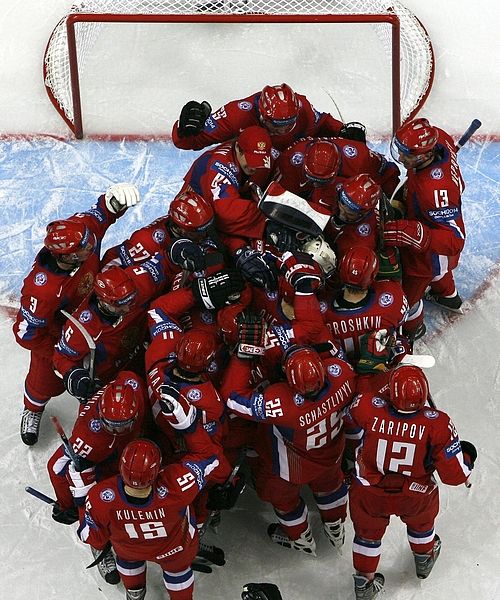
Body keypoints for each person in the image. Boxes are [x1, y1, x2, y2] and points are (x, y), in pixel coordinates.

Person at [13, 183, 140, 445]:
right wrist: (60, 354)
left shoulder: (80, 233)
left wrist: (112, 201)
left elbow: (100, 215)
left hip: (96, 317)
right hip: (58, 335)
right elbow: (26, 334)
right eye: (84, 249)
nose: (91, 245)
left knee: (104, 365)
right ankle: (33, 408)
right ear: (66, 258)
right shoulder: (42, 290)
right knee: (43, 380)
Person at [343, 365, 477, 599]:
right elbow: (454, 476)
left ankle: (364, 583)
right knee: (422, 524)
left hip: (370, 492)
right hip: (414, 493)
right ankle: (424, 558)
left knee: (367, 534)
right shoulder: (439, 424)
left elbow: (361, 401)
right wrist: (466, 456)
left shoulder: (366, 408)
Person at [77, 392, 225, 600]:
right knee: (178, 570)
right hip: (175, 550)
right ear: (158, 471)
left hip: (129, 550)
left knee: (128, 560)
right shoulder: (177, 484)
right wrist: (188, 424)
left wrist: (80, 496)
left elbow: (91, 537)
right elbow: (211, 457)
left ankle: (135, 592)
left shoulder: (100, 496)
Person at [221, 342, 356, 556]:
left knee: (284, 499)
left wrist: (242, 358)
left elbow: (232, 398)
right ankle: (336, 525)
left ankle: (300, 538)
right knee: (330, 486)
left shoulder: (282, 403)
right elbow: (335, 352)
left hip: (291, 467)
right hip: (331, 452)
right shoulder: (343, 376)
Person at [384, 118, 467, 340]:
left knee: (408, 298)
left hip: (428, 256)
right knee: (440, 274)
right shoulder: (440, 136)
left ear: (425, 155)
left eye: (407, 154)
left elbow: (455, 240)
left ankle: (413, 329)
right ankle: (449, 297)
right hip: (433, 217)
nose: (400, 158)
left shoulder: (435, 192)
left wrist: (417, 233)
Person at [172, 83, 366, 153]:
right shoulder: (237, 115)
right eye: (275, 124)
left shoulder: (302, 108)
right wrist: (184, 129)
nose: (282, 130)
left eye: (288, 123)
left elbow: (322, 122)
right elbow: (193, 141)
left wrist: (341, 130)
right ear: (262, 115)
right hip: (252, 168)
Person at [180, 125, 276, 240]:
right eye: (251, 160)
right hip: (193, 225)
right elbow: (225, 212)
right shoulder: (219, 166)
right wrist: (266, 218)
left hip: (213, 214)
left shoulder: (240, 157)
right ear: (238, 149)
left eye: (259, 161)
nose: (254, 167)